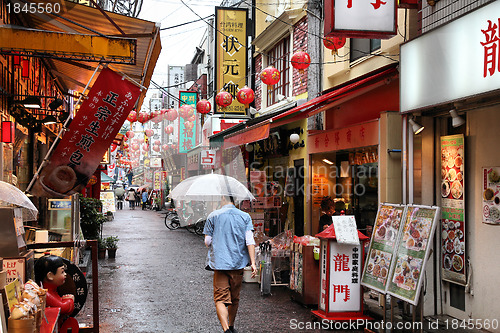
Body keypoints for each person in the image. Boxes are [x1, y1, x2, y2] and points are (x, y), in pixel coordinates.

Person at [203, 196, 257, 333]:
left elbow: (207, 241)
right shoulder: (245, 216)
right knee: (234, 298)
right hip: (238, 263)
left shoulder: (213, 216)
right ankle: (232, 326)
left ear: (223, 198)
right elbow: (250, 241)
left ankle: (226, 330)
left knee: (220, 299)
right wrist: (254, 263)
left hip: (220, 263)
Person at [34, 255, 78, 331]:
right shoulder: (45, 293)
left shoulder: (53, 289)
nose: (65, 274)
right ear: (50, 276)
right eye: (62, 272)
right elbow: (64, 308)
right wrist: (70, 300)